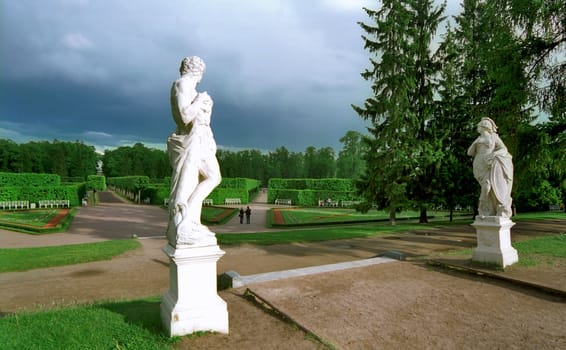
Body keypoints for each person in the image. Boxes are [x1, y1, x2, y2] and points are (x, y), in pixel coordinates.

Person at [166, 56, 222, 245]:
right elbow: (184, 117)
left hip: (201, 140)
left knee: (214, 177)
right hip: (191, 141)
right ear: (197, 71)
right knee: (189, 182)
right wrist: (200, 100)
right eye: (201, 74)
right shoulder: (183, 84)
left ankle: (190, 220)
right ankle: (186, 223)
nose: (200, 79)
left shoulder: (187, 87)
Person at [467, 117, 514, 218]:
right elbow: (469, 152)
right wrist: (475, 143)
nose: (478, 128)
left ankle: (484, 207)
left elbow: (504, 149)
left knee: (488, 186)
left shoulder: (494, 137)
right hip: (479, 165)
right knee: (487, 187)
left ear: (484, 126)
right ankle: (489, 210)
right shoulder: (478, 139)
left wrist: (494, 154)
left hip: (490, 164)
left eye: (479, 126)